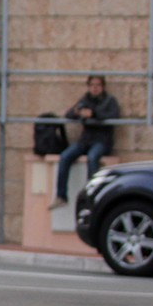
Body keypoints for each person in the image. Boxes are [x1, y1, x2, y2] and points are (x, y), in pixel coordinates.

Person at [52, 74, 120, 207]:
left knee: (93, 158)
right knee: (65, 156)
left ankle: (92, 196)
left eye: (98, 85)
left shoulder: (109, 100)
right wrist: (77, 112)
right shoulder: (85, 99)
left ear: (103, 87)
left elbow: (113, 116)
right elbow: (69, 114)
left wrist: (94, 114)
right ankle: (61, 196)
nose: (95, 88)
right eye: (92, 85)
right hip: (85, 140)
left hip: (102, 140)